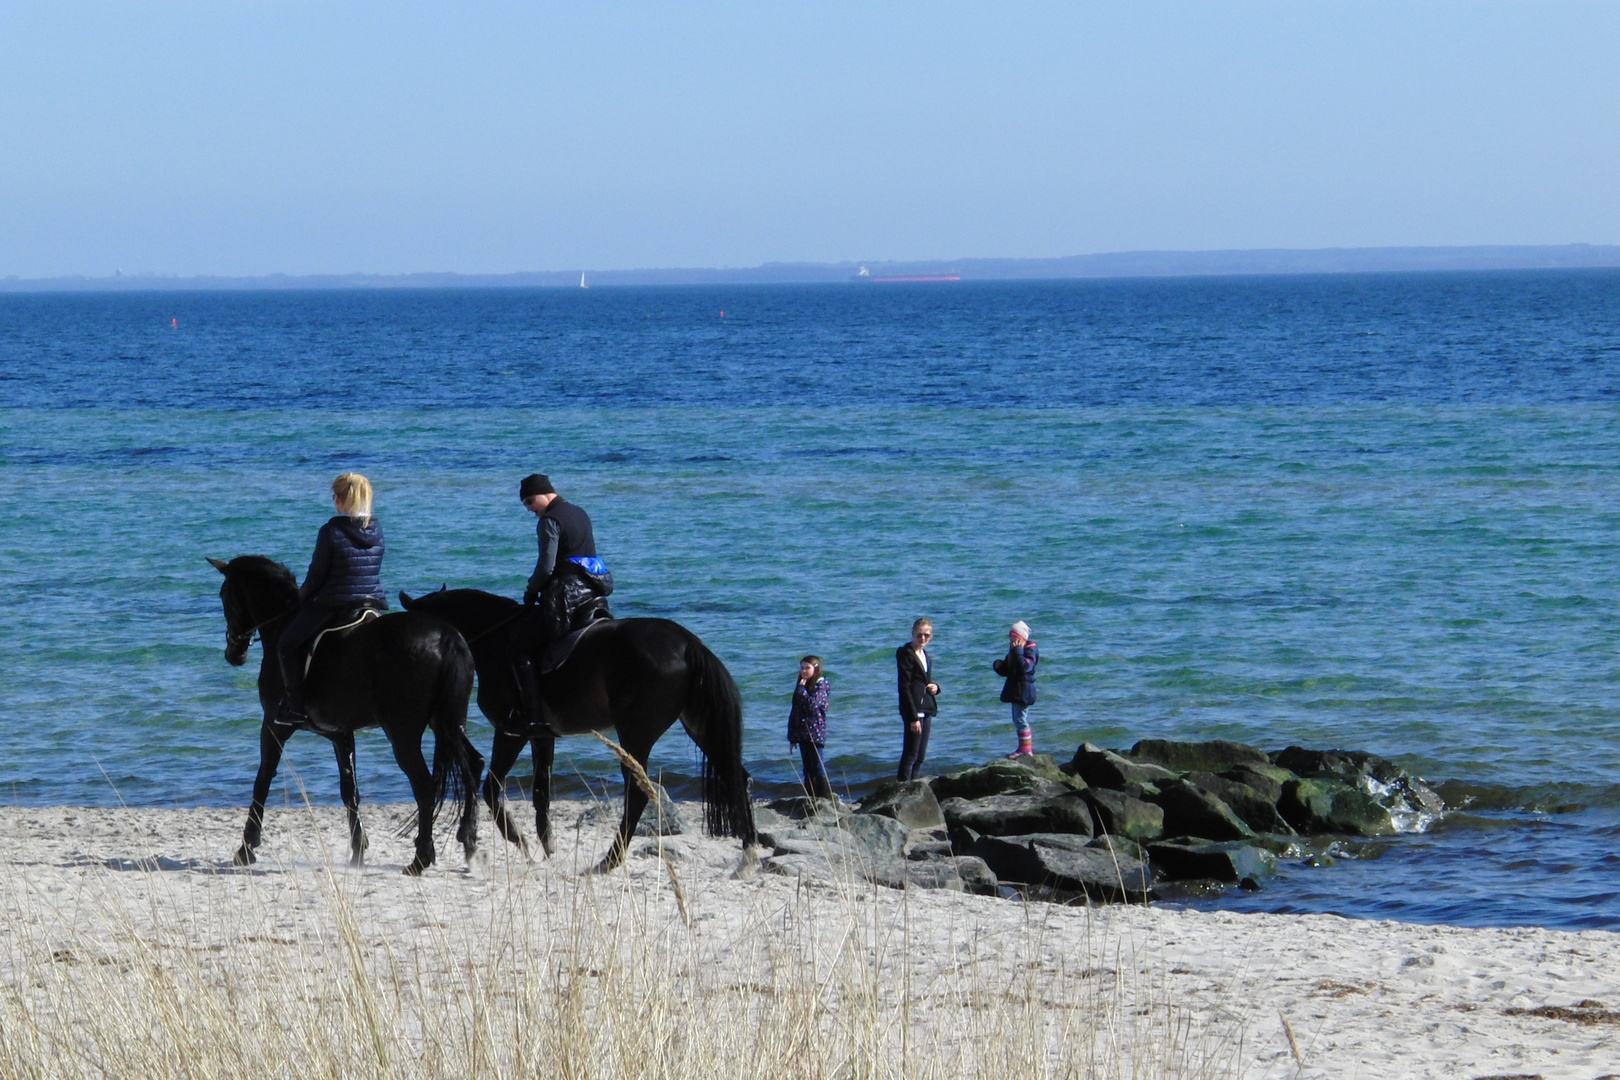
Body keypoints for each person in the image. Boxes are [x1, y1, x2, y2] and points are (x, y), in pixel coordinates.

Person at [276, 473, 386, 724]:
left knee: (285, 645)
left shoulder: (331, 530)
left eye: (334, 496)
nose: (333, 500)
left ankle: (295, 707)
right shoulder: (377, 529)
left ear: (339, 499)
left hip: (336, 604)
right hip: (371, 602)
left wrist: (300, 597)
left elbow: (316, 577)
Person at [506, 473, 613, 728]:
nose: (530, 509)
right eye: (526, 505)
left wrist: (532, 591)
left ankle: (532, 716)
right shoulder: (579, 512)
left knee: (517, 648)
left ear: (544, 493)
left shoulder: (549, 521)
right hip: (593, 591)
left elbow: (546, 566)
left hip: (567, 596)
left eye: (530, 502)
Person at [895, 618, 939, 780]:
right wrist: (913, 717)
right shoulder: (906, 654)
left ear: (931, 636)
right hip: (914, 710)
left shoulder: (924, 654)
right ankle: (903, 789)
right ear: (912, 634)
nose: (922, 639)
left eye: (926, 635)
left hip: (926, 707)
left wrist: (935, 687)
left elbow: (924, 681)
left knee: (920, 756)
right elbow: (904, 687)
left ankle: (914, 787)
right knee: (910, 754)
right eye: (919, 635)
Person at [787, 656, 831, 799]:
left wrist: (801, 690)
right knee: (807, 768)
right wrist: (792, 736)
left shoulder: (821, 684)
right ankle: (811, 798)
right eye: (802, 668)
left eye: (807, 668)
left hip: (815, 732)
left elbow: (812, 705)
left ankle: (823, 797)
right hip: (802, 732)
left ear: (816, 669)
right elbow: (795, 711)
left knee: (818, 766)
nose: (804, 671)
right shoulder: (801, 685)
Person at [993, 620, 1039, 757]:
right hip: (1016, 690)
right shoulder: (1015, 651)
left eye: (1014, 639)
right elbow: (1008, 669)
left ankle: (1026, 749)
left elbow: (1024, 667)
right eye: (1010, 639)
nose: (1011, 642)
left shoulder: (1030, 650)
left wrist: (1017, 651)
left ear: (1021, 639)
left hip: (1024, 690)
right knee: (1017, 718)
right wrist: (999, 666)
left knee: (1020, 718)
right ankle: (1022, 747)